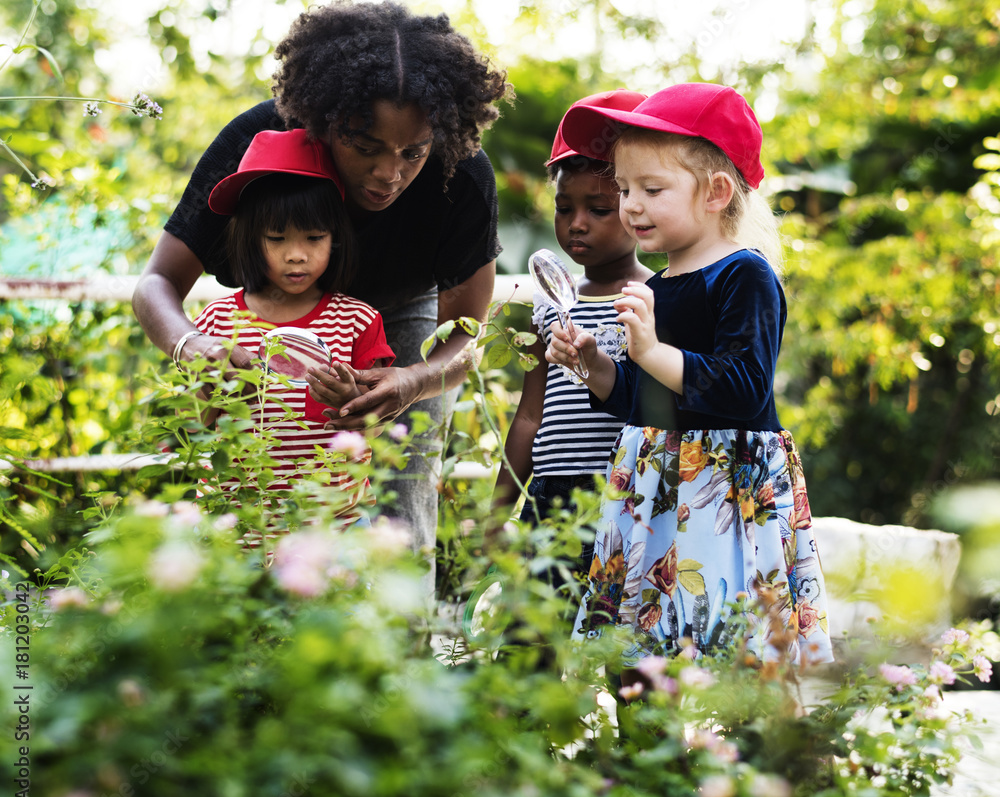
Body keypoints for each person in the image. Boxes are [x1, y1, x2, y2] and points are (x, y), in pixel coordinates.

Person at [132, 1, 511, 592]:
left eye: (413, 152)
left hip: (402, 318)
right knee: (254, 479)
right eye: (367, 147)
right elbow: (156, 285)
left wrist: (410, 381)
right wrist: (192, 347)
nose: (391, 173)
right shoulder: (260, 137)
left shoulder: (461, 172)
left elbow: (464, 337)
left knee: (400, 485)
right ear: (324, 122)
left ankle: (393, 655)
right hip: (266, 318)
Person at [546, 82, 835, 667]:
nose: (631, 205)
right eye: (625, 189)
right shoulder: (655, 286)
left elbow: (742, 388)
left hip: (724, 487)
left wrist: (650, 350)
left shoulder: (743, 275)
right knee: (645, 644)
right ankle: (646, 753)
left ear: (716, 192)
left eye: (652, 189)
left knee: (733, 637)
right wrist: (596, 365)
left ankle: (735, 753)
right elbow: (641, 399)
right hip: (657, 480)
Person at [192, 128, 394, 531]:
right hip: (239, 521)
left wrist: (349, 397)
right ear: (250, 239)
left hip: (332, 523)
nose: (296, 254)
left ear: (335, 238)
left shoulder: (357, 320)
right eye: (277, 238)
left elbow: (379, 419)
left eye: (314, 237)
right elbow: (197, 423)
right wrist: (217, 393)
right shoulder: (215, 323)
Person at [492, 89, 648, 603]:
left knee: (623, 644)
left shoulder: (655, 297)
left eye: (598, 208)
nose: (576, 222)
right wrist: (498, 511)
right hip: (551, 497)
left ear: (635, 203)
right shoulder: (548, 303)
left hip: (624, 494)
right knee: (531, 640)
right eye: (564, 207)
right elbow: (531, 415)